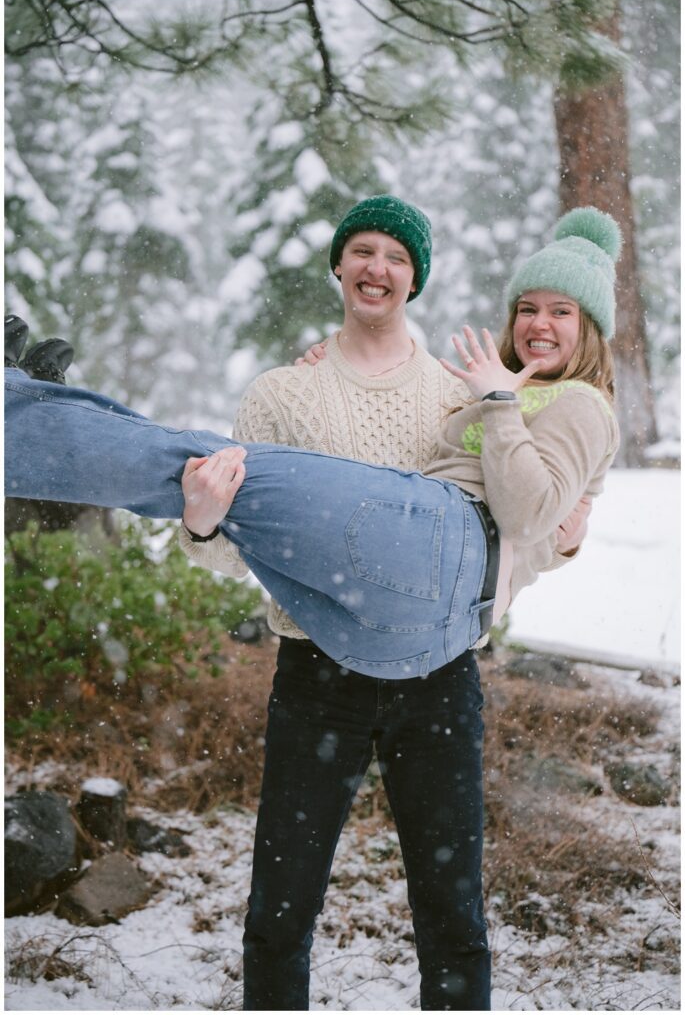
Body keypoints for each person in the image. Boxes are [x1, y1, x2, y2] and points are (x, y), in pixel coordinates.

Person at [3, 203, 619, 1009]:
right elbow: (236, 545)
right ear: (338, 268)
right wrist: (200, 522)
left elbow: (518, 515)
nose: (376, 267)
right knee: (280, 907)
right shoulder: (284, 391)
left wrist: (561, 530)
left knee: (451, 909)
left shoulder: (459, 390)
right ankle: (31, 408)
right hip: (318, 665)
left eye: (396, 255)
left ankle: (23, 420)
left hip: (433, 677)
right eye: (360, 251)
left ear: (415, 278)